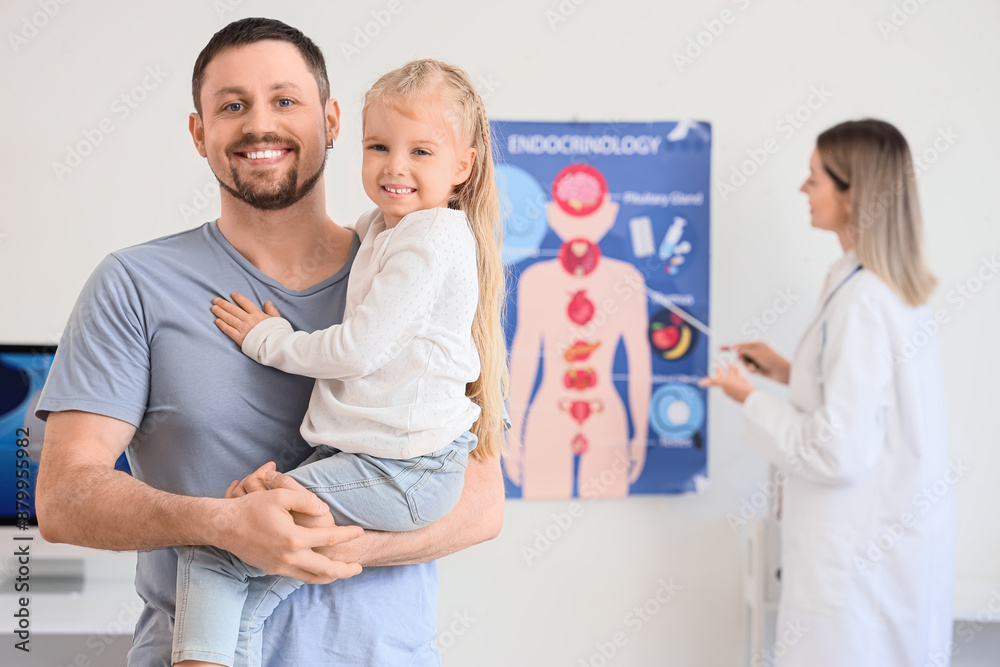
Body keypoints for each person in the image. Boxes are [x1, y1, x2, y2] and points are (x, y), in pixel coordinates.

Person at [34, 18, 504, 667]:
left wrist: (326, 545)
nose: (261, 124)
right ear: (200, 132)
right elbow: (62, 499)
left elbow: (481, 502)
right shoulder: (134, 284)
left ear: (331, 121)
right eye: (232, 105)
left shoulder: (415, 269)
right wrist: (218, 525)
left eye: (285, 100)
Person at [171, 58, 507, 667]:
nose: (395, 167)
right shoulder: (384, 228)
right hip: (385, 464)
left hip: (403, 473)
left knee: (217, 548)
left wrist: (267, 338)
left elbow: (356, 350)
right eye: (378, 146)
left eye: (421, 152)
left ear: (464, 165)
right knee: (251, 586)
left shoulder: (431, 238)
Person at [701, 119, 953, 666]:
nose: (802, 190)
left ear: (853, 193)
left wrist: (748, 397)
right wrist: (787, 372)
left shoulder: (864, 299)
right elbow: (869, 400)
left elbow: (836, 449)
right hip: (874, 552)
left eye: (814, 179)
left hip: (855, 559)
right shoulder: (873, 284)